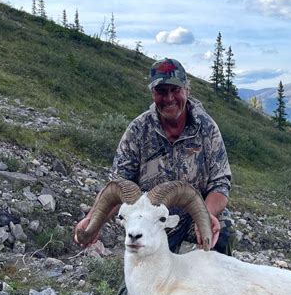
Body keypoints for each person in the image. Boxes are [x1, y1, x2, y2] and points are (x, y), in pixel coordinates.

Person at [75, 58, 233, 255]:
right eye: (161, 91)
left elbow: (220, 183)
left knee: (223, 229)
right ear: (153, 94)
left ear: (187, 90)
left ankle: (214, 280)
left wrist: (206, 216)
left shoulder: (207, 128)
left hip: (195, 212)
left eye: (175, 90)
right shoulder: (139, 130)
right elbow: (117, 185)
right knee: (138, 284)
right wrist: (92, 221)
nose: (169, 98)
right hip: (151, 219)